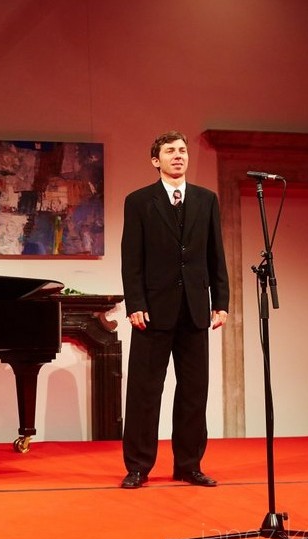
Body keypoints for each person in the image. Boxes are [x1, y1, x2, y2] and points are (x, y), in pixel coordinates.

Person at [119, 130, 229, 489]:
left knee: (194, 392)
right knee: (144, 392)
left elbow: (216, 254)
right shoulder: (139, 201)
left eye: (182, 150)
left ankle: (189, 464)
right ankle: (138, 466)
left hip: (195, 310)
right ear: (157, 160)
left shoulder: (206, 200)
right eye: (170, 151)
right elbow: (131, 258)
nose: (178, 155)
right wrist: (135, 303)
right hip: (152, 312)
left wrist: (221, 301)